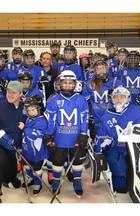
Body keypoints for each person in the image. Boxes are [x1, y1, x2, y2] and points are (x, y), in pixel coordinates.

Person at [94, 86, 140, 193]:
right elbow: (102, 137)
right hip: (117, 148)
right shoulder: (107, 116)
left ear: (128, 98)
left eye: (122, 97)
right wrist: (98, 151)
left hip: (137, 148)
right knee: (121, 186)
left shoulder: (139, 111)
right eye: (115, 97)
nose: (118, 99)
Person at [44, 70, 89, 198]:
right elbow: (51, 120)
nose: (68, 85)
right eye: (65, 83)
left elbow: (84, 119)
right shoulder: (53, 99)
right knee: (57, 161)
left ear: (75, 84)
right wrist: (48, 135)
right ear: (60, 84)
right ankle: (56, 182)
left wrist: (84, 134)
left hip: (76, 136)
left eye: (71, 83)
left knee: (77, 162)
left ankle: (77, 181)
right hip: (60, 137)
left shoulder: (81, 100)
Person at [0, 80, 27, 203]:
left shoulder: (26, 107)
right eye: (8, 91)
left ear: (20, 94)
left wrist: (26, 127)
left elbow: (38, 121)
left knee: (10, 177)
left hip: (13, 147)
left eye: (14, 92)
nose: (10, 95)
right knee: (0, 161)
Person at [82, 60, 124, 140]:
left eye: (103, 68)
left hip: (113, 121)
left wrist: (115, 95)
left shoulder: (116, 83)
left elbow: (124, 102)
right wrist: (89, 115)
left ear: (107, 69)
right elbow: (84, 103)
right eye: (98, 69)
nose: (100, 70)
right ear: (94, 71)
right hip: (96, 121)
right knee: (96, 145)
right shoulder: (89, 84)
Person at [21, 95, 49, 196]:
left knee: (36, 168)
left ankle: (38, 184)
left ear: (39, 109)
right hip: (27, 149)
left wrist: (24, 128)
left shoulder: (42, 121)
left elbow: (35, 134)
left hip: (37, 151)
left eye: (33, 110)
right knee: (27, 166)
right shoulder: (29, 118)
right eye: (28, 110)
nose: (30, 112)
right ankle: (30, 179)